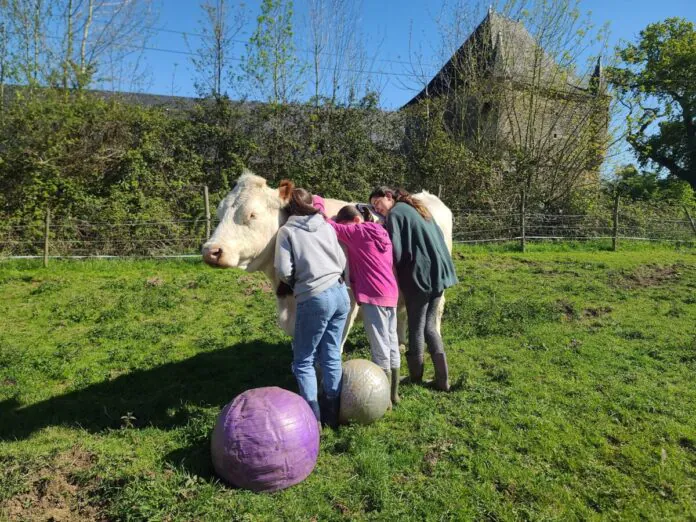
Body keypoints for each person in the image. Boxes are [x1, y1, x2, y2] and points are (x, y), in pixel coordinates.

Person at [369, 186, 458, 391]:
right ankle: (442, 379)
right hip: (439, 273)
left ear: (389, 197)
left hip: (420, 276)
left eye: (377, 203)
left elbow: (396, 252)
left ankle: (416, 376)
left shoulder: (396, 213)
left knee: (416, 327)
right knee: (429, 326)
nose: (377, 209)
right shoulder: (419, 208)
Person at [275, 185, 350, 428]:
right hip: (340, 293)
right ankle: (334, 412)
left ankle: (313, 418)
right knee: (330, 353)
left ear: (288, 211)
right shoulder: (326, 225)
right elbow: (340, 259)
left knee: (303, 360)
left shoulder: (287, 232)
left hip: (315, 296)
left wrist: (297, 281)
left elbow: (284, 270)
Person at [329, 204, 401, 405]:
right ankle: (395, 394)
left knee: (379, 346)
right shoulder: (381, 231)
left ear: (356, 220)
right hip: (390, 292)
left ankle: (384, 399)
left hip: (373, 294)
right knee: (392, 341)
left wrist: (320, 208)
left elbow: (328, 226)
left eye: (346, 224)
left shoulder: (357, 231)